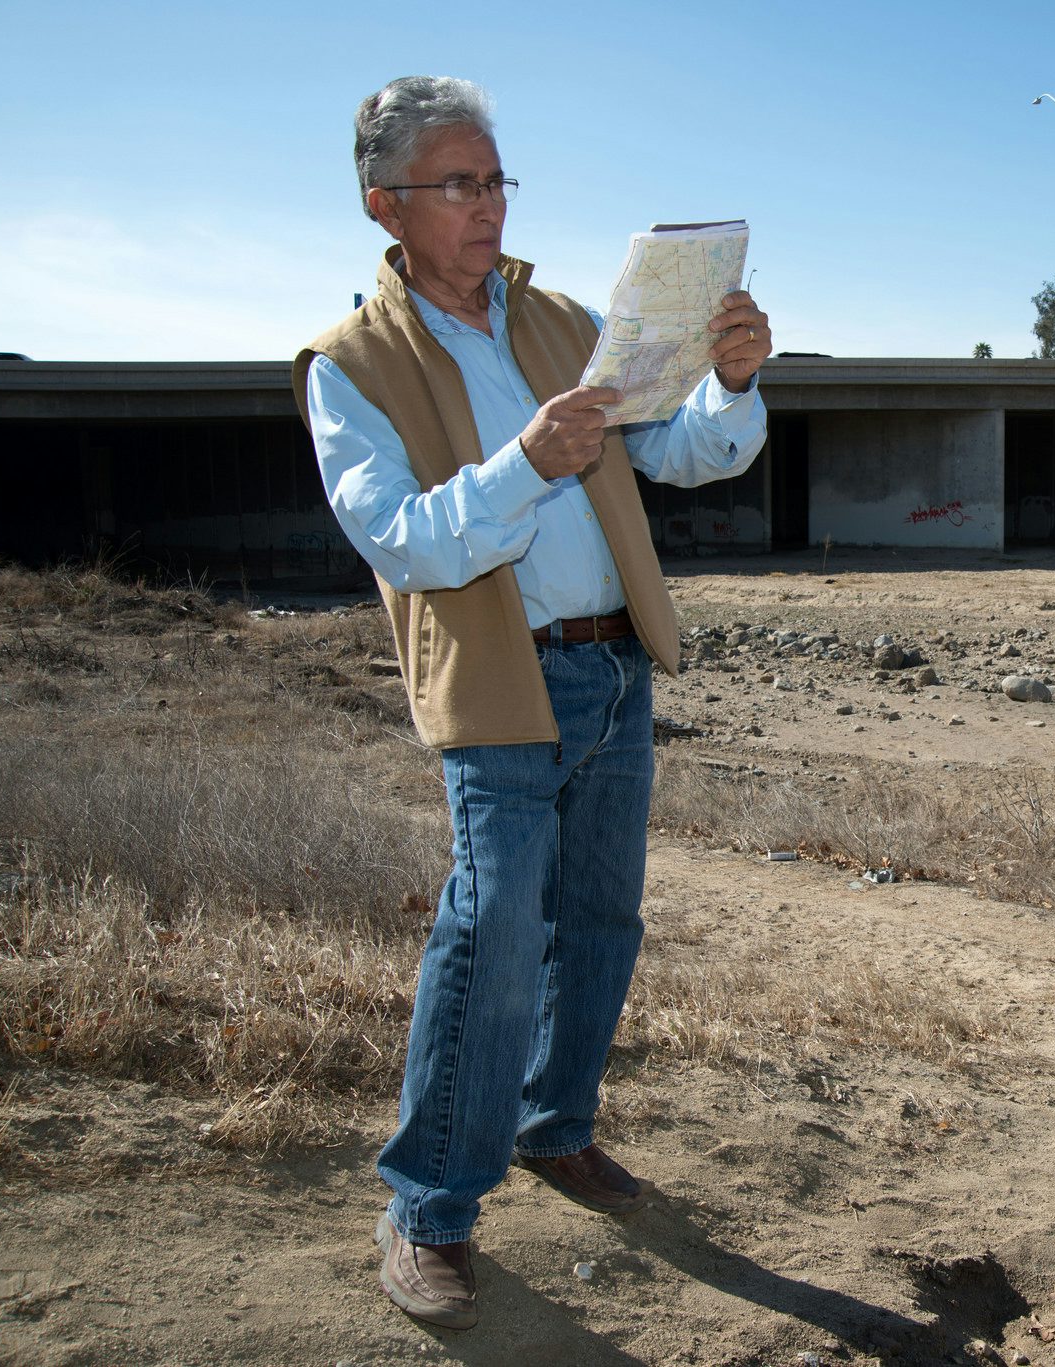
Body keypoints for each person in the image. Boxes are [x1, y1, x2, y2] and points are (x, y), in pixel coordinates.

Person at [290, 75, 771, 1331]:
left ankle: (558, 1128)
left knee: (600, 918)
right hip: (499, 675)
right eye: (459, 184)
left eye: (497, 179)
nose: (487, 204)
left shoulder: (566, 322)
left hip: (613, 667)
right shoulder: (349, 370)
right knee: (493, 928)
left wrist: (726, 382)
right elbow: (403, 541)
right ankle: (431, 1209)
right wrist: (525, 463)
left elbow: (679, 453)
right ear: (384, 205)